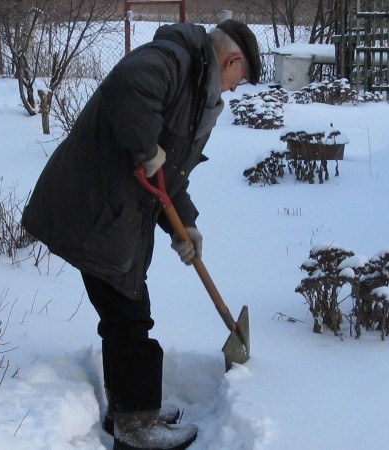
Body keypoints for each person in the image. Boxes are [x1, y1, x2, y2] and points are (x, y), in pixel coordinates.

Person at [22, 19, 260, 450]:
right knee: (130, 316)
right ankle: (136, 425)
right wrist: (146, 147)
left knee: (124, 312)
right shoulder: (174, 59)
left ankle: (126, 410)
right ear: (232, 59)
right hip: (94, 209)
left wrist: (183, 223)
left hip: (117, 216)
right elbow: (128, 86)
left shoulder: (194, 90)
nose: (232, 90)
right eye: (237, 80)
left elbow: (171, 175)